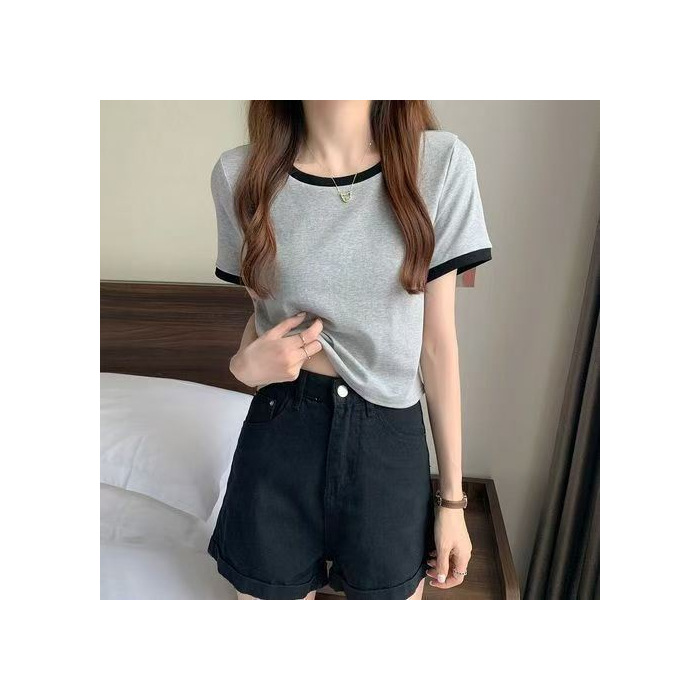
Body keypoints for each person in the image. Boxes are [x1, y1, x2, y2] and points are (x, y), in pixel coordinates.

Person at [207, 100, 493, 600]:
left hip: (387, 442)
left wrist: (452, 503)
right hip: (281, 431)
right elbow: (261, 320)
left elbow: (437, 345)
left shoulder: (440, 162)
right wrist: (242, 367)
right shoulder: (240, 174)